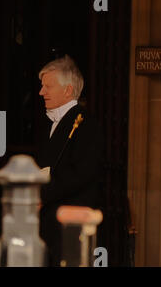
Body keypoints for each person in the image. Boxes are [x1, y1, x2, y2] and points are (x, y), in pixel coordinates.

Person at [35, 55, 103, 266]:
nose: (41, 92)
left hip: (69, 223)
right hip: (46, 223)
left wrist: (42, 195)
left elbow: (82, 172)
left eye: (48, 86)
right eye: (41, 86)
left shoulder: (87, 124)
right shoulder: (46, 123)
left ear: (68, 90)